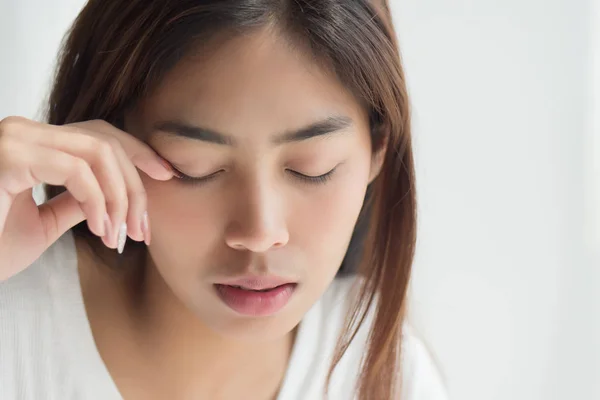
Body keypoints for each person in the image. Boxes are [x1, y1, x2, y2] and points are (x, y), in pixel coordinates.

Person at [0, 0, 449, 399]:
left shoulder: (390, 377)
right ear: (110, 142)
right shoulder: (15, 324)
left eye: (313, 169)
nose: (259, 233)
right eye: (195, 168)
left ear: (376, 151)